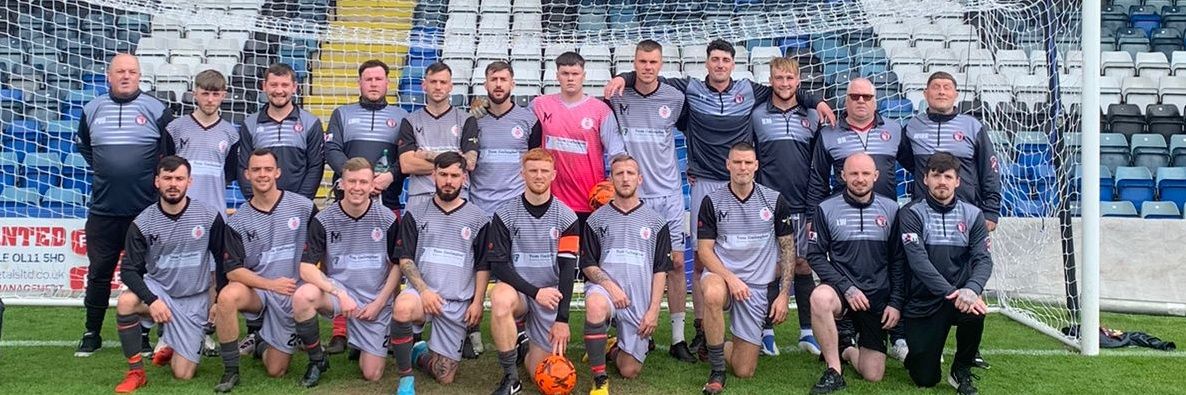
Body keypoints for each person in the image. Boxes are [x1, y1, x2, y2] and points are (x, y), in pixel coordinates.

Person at [604, 40, 834, 357]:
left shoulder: (750, 90)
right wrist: (625, 78)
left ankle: (760, 326)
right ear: (707, 63)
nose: (720, 64)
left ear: (733, 63)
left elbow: (785, 90)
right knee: (700, 259)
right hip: (704, 183)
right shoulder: (690, 89)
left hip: (740, 182)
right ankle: (701, 329)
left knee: (758, 253)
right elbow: (650, 77)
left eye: (726, 59)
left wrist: (816, 100)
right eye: (715, 59)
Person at [76, 52, 176, 358]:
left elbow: (170, 155)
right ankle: (91, 332)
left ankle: (144, 334)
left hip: (144, 212)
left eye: (131, 71)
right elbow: (86, 149)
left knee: (146, 274)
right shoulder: (91, 109)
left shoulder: (157, 110)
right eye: (120, 71)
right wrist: (114, 171)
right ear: (109, 76)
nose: (125, 76)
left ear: (139, 76)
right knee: (99, 273)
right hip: (104, 210)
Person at [900, 71, 1001, 369]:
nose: (941, 92)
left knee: (970, 278)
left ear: (955, 94)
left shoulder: (972, 126)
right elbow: (909, 161)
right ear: (926, 93)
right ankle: (913, 337)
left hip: (966, 218)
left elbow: (989, 170)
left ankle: (970, 349)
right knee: (919, 274)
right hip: (924, 216)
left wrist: (990, 211)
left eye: (947, 87)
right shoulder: (913, 127)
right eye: (935, 87)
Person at [607, 40, 696, 362]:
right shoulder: (618, 95)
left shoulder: (675, 98)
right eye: (642, 62)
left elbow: (696, 131)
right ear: (635, 63)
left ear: (661, 64)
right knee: (631, 266)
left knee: (674, 263)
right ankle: (627, 331)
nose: (647, 67)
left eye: (653, 62)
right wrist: (624, 78)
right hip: (633, 196)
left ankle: (676, 337)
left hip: (669, 195)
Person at [111, 155, 224, 393]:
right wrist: (152, 300)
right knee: (126, 302)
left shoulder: (208, 216)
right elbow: (129, 271)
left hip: (194, 297)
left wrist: (218, 298)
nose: (173, 183)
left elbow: (222, 261)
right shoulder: (143, 223)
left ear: (189, 182)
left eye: (179, 178)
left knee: (183, 375)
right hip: (159, 291)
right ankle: (136, 373)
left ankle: (173, 344)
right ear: (157, 182)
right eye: (168, 178)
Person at [322, 59, 410, 355]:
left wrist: (387, 177)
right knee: (341, 262)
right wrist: (356, 180)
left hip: (387, 200)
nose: (373, 84)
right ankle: (340, 330)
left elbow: (406, 157)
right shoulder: (342, 114)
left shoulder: (401, 116)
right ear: (360, 83)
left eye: (379, 79)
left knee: (387, 264)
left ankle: (385, 324)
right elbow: (331, 149)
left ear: (388, 83)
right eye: (368, 79)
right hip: (349, 199)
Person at [289, 157, 402, 387]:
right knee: (303, 296)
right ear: (341, 183)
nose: (357, 188)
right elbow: (306, 267)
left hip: (373, 301)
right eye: (351, 181)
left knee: (372, 374)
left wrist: (380, 303)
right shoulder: (323, 220)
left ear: (373, 186)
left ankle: (360, 343)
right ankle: (317, 360)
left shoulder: (388, 219)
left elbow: (397, 266)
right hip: (340, 296)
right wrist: (339, 294)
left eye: (363, 182)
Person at [212, 149, 316, 392]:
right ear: (247, 174)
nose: (262, 174)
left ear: (277, 172)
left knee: (276, 370)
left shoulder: (303, 207)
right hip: (258, 290)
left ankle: (260, 343)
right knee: (227, 296)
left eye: (268, 169)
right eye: (256, 169)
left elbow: (323, 246)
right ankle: (230, 370)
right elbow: (233, 271)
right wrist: (270, 284)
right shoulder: (237, 221)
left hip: (292, 292)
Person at [697, 142, 795, 394]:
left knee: (744, 370)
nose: (742, 167)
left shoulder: (774, 200)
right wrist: (730, 278)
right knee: (712, 293)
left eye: (748, 162)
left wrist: (783, 295)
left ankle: (715, 342)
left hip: (756, 289)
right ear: (728, 165)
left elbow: (787, 250)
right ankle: (717, 371)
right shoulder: (712, 200)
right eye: (737, 162)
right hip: (723, 277)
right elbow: (705, 251)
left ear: (756, 166)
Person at [390, 152, 491, 394]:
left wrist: (477, 303)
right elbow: (404, 259)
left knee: (444, 376)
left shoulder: (478, 218)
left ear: (464, 178)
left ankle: (421, 354)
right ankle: (405, 379)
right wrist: (424, 291)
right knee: (403, 306)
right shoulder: (415, 212)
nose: (448, 180)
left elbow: (483, 266)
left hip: (456, 302)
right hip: (422, 295)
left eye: (454, 175)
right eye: (443, 174)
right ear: (433, 175)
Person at [806, 154, 904, 394]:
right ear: (843, 175)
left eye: (865, 174)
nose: (860, 179)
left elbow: (899, 261)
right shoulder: (826, 208)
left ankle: (846, 348)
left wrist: (895, 302)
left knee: (873, 375)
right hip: (842, 291)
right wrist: (847, 287)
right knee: (819, 297)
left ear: (876, 176)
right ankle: (834, 370)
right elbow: (815, 255)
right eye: (853, 173)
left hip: (876, 296)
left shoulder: (891, 210)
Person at [485, 148, 579, 394]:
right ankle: (510, 378)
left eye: (544, 171)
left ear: (553, 175)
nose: (538, 176)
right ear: (522, 174)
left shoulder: (567, 217)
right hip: (520, 291)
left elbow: (568, 270)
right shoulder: (504, 214)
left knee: (544, 375)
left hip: (550, 298)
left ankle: (524, 345)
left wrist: (562, 319)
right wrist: (534, 292)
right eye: (533, 170)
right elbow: (499, 266)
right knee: (499, 298)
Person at [899, 152, 993, 395]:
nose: (942, 181)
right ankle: (916, 353)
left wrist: (971, 290)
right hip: (923, 300)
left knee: (976, 310)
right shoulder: (911, 213)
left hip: (960, 298)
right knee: (925, 378)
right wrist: (952, 292)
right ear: (925, 179)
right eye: (936, 175)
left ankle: (960, 369)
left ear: (957, 181)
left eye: (948, 176)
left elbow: (983, 259)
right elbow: (918, 261)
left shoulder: (973, 215)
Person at [580, 154, 673, 394]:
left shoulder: (656, 223)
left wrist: (653, 311)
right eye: (619, 173)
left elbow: (660, 271)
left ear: (639, 179)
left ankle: (611, 348)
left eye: (630, 173)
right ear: (611, 179)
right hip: (607, 291)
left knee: (629, 370)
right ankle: (599, 379)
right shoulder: (595, 220)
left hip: (638, 299)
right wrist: (610, 287)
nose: (625, 178)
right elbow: (589, 265)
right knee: (595, 304)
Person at [749, 56, 822, 356]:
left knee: (803, 265)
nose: (784, 83)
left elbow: (820, 164)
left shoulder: (813, 116)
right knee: (770, 267)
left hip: (802, 204)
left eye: (789, 78)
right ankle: (766, 331)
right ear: (771, 80)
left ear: (798, 81)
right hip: (768, 204)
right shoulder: (756, 115)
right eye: (779, 78)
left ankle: (807, 332)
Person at [531, 51, 625, 223]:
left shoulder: (600, 111)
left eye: (575, 74)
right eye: (565, 74)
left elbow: (616, 152)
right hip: (551, 201)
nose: (570, 78)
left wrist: (614, 182)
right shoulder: (539, 105)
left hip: (589, 200)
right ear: (557, 76)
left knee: (585, 250)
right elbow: (518, 126)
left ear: (584, 76)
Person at [807, 78, 911, 209]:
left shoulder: (894, 130)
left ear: (874, 102)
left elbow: (914, 167)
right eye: (855, 96)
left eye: (867, 97)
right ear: (846, 101)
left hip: (886, 215)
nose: (861, 100)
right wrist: (811, 216)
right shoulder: (828, 134)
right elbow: (818, 180)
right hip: (841, 215)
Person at [398, 62, 480, 210]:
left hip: (457, 197)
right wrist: (453, 162)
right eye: (433, 82)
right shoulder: (410, 121)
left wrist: (425, 155)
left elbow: (469, 163)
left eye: (443, 82)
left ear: (451, 86)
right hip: (420, 197)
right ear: (424, 85)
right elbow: (407, 165)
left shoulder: (466, 120)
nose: (438, 87)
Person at [236, 63, 324, 201]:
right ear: (264, 86)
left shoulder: (310, 123)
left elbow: (315, 167)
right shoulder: (250, 124)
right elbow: (243, 167)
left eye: (284, 85)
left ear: (294, 87)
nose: (278, 90)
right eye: (273, 85)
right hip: (261, 205)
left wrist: (301, 202)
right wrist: (256, 200)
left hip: (297, 206)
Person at [470, 61, 543, 215]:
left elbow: (535, 163)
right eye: (493, 79)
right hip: (478, 206)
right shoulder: (473, 120)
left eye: (503, 80)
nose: (498, 84)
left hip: (515, 208)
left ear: (512, 84)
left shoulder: (530, 121)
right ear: (485, 84)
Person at [167, 69, 239, 217]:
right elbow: (165, 170)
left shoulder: (231, 134)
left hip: (215, 213)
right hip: (181, 213)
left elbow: (229, 174)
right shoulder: (175, 128)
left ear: (223, 95)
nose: (210, 99)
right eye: (205, 94)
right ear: (195, 94)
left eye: (216, 94)